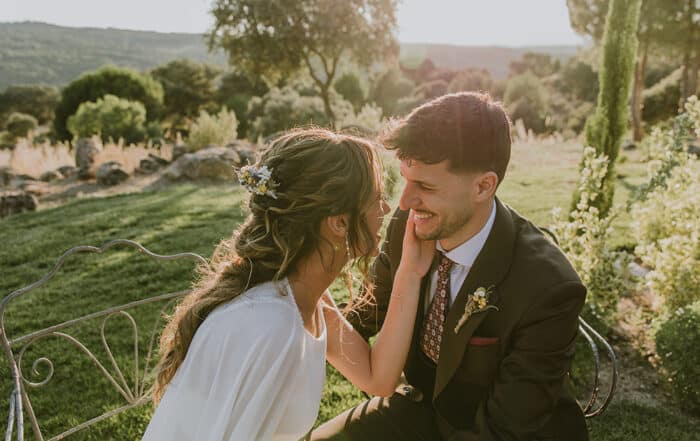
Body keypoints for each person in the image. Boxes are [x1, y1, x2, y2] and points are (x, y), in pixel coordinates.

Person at [312, 92, 589, 441]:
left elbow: (505, 431)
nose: (406, 202)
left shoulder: (549, 288)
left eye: (425, 186)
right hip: (417, 408)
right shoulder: (408, 225)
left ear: (483, 186)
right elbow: (363, 314)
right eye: (406, 180)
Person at [141, 128, 435, 441]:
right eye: (378, 199)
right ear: (339, 222)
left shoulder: (306, 300)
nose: (387, 210)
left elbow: (378, 378)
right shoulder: (274, 327)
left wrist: (410, 273)